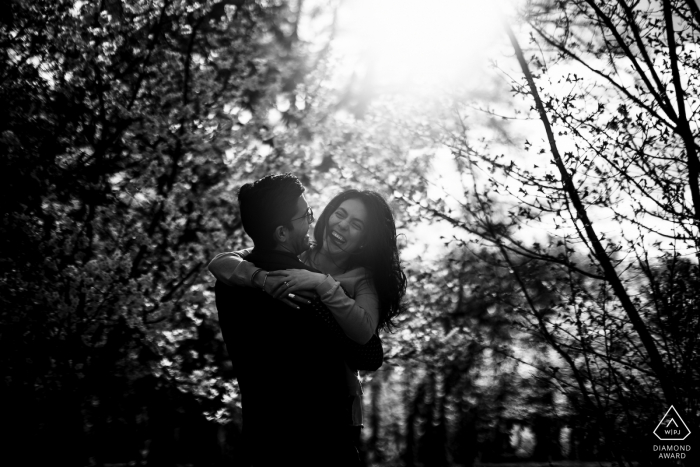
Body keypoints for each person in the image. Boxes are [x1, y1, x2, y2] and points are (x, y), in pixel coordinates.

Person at [209, 184, 408, 454]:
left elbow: (365, 338)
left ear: (364, 240)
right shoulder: (295, 254)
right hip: (291, 406)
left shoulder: (364, 279)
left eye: (357, 224)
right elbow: (221, 262)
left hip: (337, 405)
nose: (343, 224)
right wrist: (261, 279)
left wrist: (321, 283)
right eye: (340, 214)